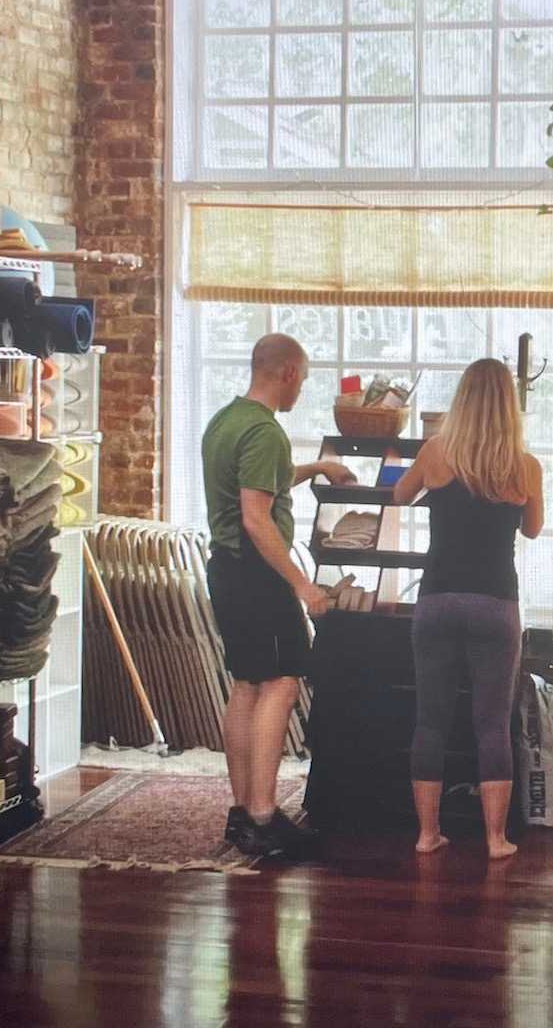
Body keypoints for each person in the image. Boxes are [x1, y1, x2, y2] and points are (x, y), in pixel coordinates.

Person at [203, 333, 354, 858]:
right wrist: (303, 584)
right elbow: (256, 516)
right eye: (304, 378)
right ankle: (265, 817)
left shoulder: (226, 421)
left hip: (225, 570)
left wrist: (316, 469)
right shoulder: (266, 432)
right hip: (258, 577)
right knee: (283, 683)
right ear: (288, 372)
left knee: (246, 686)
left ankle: (244, 812)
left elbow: (258, 485)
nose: (301, 389)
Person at [392, 358, 543, 860]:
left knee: (429, 720)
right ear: (509, 407)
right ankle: (497, 840)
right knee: (491, 723)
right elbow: (534, 529)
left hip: (437, 599)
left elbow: (398, 494)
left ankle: (426, 834)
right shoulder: (525, 465)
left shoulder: (435, 452)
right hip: (496, 602)